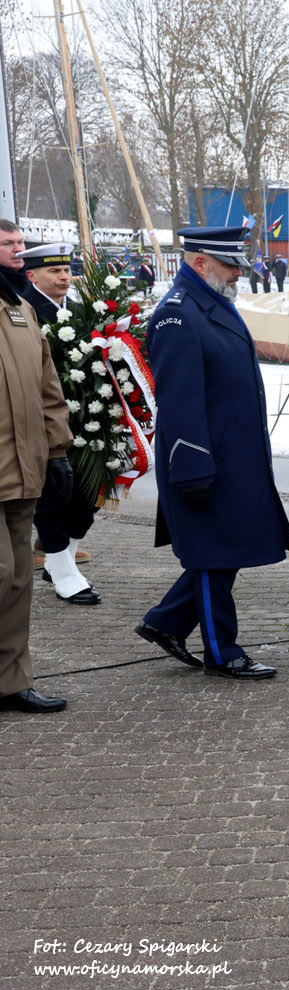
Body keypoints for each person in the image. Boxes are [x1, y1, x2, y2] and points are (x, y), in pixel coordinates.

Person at [134, 226, 289, 680]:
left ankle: (166, 622)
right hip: (205, 461)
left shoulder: (211, 303)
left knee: (228, 548)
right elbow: (180, 402)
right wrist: (191, 468)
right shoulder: (178, 314)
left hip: (232, 456)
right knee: (213, 555)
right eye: (229, 265)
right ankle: (222, 652)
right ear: (200, 262)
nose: (238, 273)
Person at [0, 220, 74, 713]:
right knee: (1, 574)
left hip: (24, 471)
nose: (17, 249)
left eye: (19, 242)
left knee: (19, 582)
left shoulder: (20, 309)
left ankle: (11, 683)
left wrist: (58, 451)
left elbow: (49, 390)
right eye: (7, 243)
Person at [18, 243, 99, 605]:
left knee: (90, 491)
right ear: (32, 276)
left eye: (66, 270)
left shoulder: (81, 312)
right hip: (44, 418)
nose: (64, 277)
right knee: (52, 493)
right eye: (54, 271)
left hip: (87, 419)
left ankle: (63, 556)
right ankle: (62, 569)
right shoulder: (22, 310)